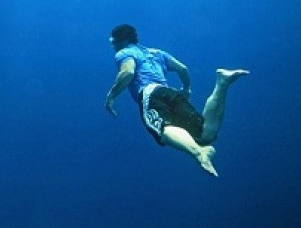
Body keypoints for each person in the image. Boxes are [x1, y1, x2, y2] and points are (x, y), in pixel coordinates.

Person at [103, 24, 249, 177]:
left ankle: (200, 154)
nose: (113, 46)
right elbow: (183, 69)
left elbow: (127, 72)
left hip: (150, 93)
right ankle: (222, 84)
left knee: (162, 130)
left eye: (113, 42)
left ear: (123, 40)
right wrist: (186, 89)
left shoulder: (124, 53)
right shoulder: (156, 53)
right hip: (170, 92)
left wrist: (111, 97)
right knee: (206, 135)